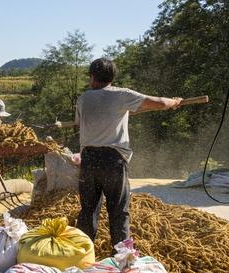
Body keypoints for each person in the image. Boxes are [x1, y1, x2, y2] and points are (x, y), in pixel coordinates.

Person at [75, 58, 181, 249]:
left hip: (88, 159)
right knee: (118, 211)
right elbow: (158, 102)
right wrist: (174, 102)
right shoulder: (121, 95)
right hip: (112, 160)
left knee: (87, 210)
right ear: (112, 77)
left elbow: (82, 122)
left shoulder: (83, 99)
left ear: (92, 77)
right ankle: (122, 260)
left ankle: (82, 253)